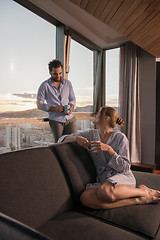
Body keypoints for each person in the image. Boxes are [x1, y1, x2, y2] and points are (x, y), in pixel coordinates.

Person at [58, 106, 160, 209]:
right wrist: (77, 138)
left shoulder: (120, 138)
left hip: (121, 176)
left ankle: (143, 191)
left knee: (105, 192)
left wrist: (109, 150)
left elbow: (125, 167)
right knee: (85, 198)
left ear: (106, 118)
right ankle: (138, 200)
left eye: (98, 113)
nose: (94, 115)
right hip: (104, 179)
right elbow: (61, 139)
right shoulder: (90, 134)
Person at [37, 59, 77, 142]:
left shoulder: (68, 83)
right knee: (59, 144)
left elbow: (72, 99)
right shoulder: (44, 85)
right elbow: (39, 104)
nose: (58, 76)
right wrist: (54, 109)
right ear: (50, 72)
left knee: (74, 143)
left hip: (70, 119)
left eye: (60, 73)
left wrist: (71, 108)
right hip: (56, 121)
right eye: (55, 74)